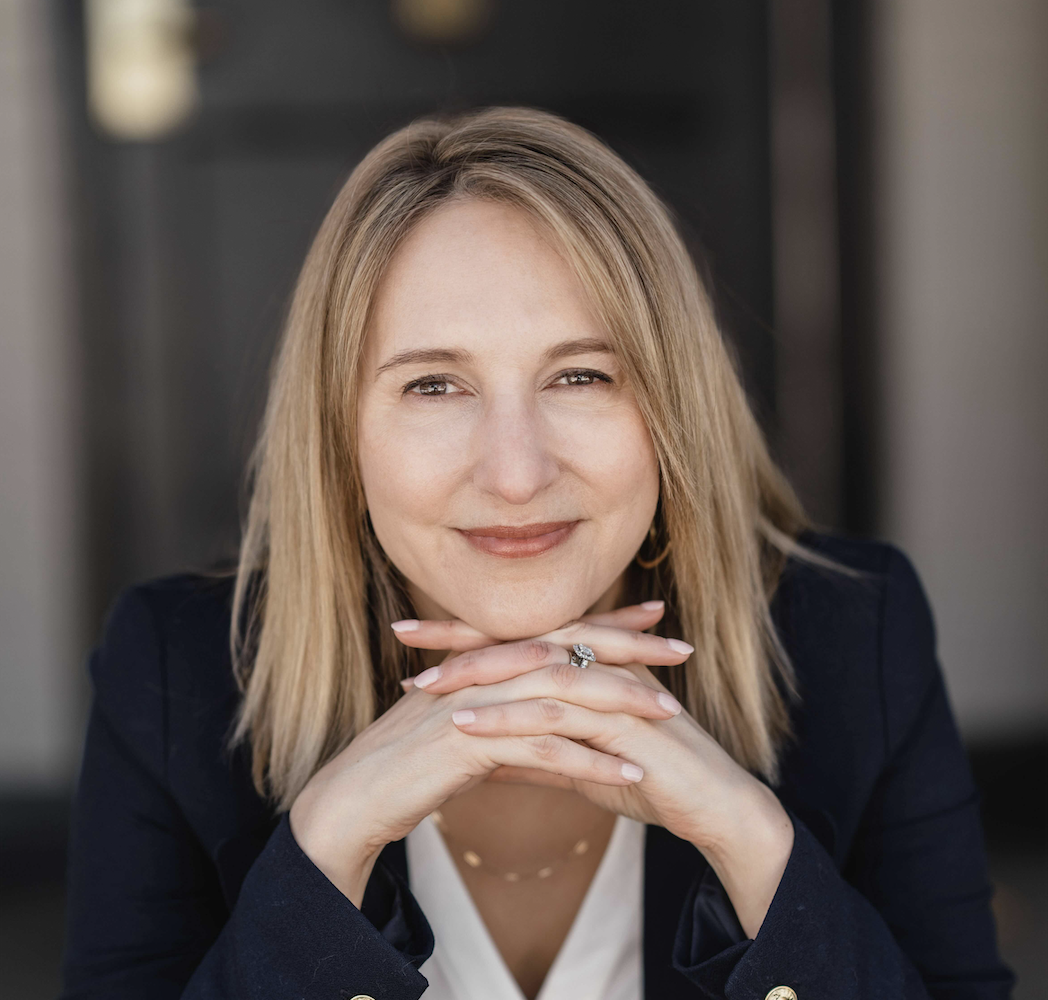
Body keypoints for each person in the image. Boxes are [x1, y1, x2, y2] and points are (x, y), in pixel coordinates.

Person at [61, 108, 1014, 1000]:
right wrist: (322, 854)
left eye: (582, 375)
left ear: (671, 412)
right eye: (434, 386)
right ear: (340, 436)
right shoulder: (175, 671)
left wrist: (758, 849)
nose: (516, 474)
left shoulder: (853, 634)